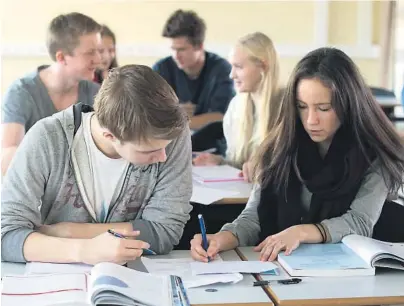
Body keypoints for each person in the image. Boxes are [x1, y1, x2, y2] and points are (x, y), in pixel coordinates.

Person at [190, 47, 404, 262]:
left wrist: (301, 232)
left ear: (348, 105)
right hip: (290, 268)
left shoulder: (376, 153)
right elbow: (252, 219)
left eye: (323, 108)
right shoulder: (279, 148)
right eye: (302, 106)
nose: (311, 120)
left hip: (359, 272)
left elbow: (359, 222)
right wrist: (220, 239)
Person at [1, 65, 193, 264]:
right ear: (110, 135)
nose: (163, 157)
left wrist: (67, 232)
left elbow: (164, 231)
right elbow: (7, 236)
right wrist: (82, 251)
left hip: (136, 278)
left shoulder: (171, 135)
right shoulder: (47, 139)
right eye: (149, 151)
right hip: (58, 281)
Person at [1, 12, 101, 176]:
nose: (98, 59)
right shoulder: (21, 92)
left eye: (98, 51)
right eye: (90, 52)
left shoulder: (96, 93)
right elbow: (7, 157)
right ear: (61, 57)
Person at [193, 32, 282, 182]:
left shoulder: (286, 108)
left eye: (239, 67)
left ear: (263, 66)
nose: (231, 75)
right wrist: (220, 162)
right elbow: (240, 165)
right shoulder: (236, 107)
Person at [153, 9, 235, 130]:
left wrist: (175, 118)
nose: (176, 56)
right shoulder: (161, 68)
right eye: (173, 49)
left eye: (182, 49)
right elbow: (150, 115)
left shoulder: (222, 70)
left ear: (200, 46)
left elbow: (221, 117)